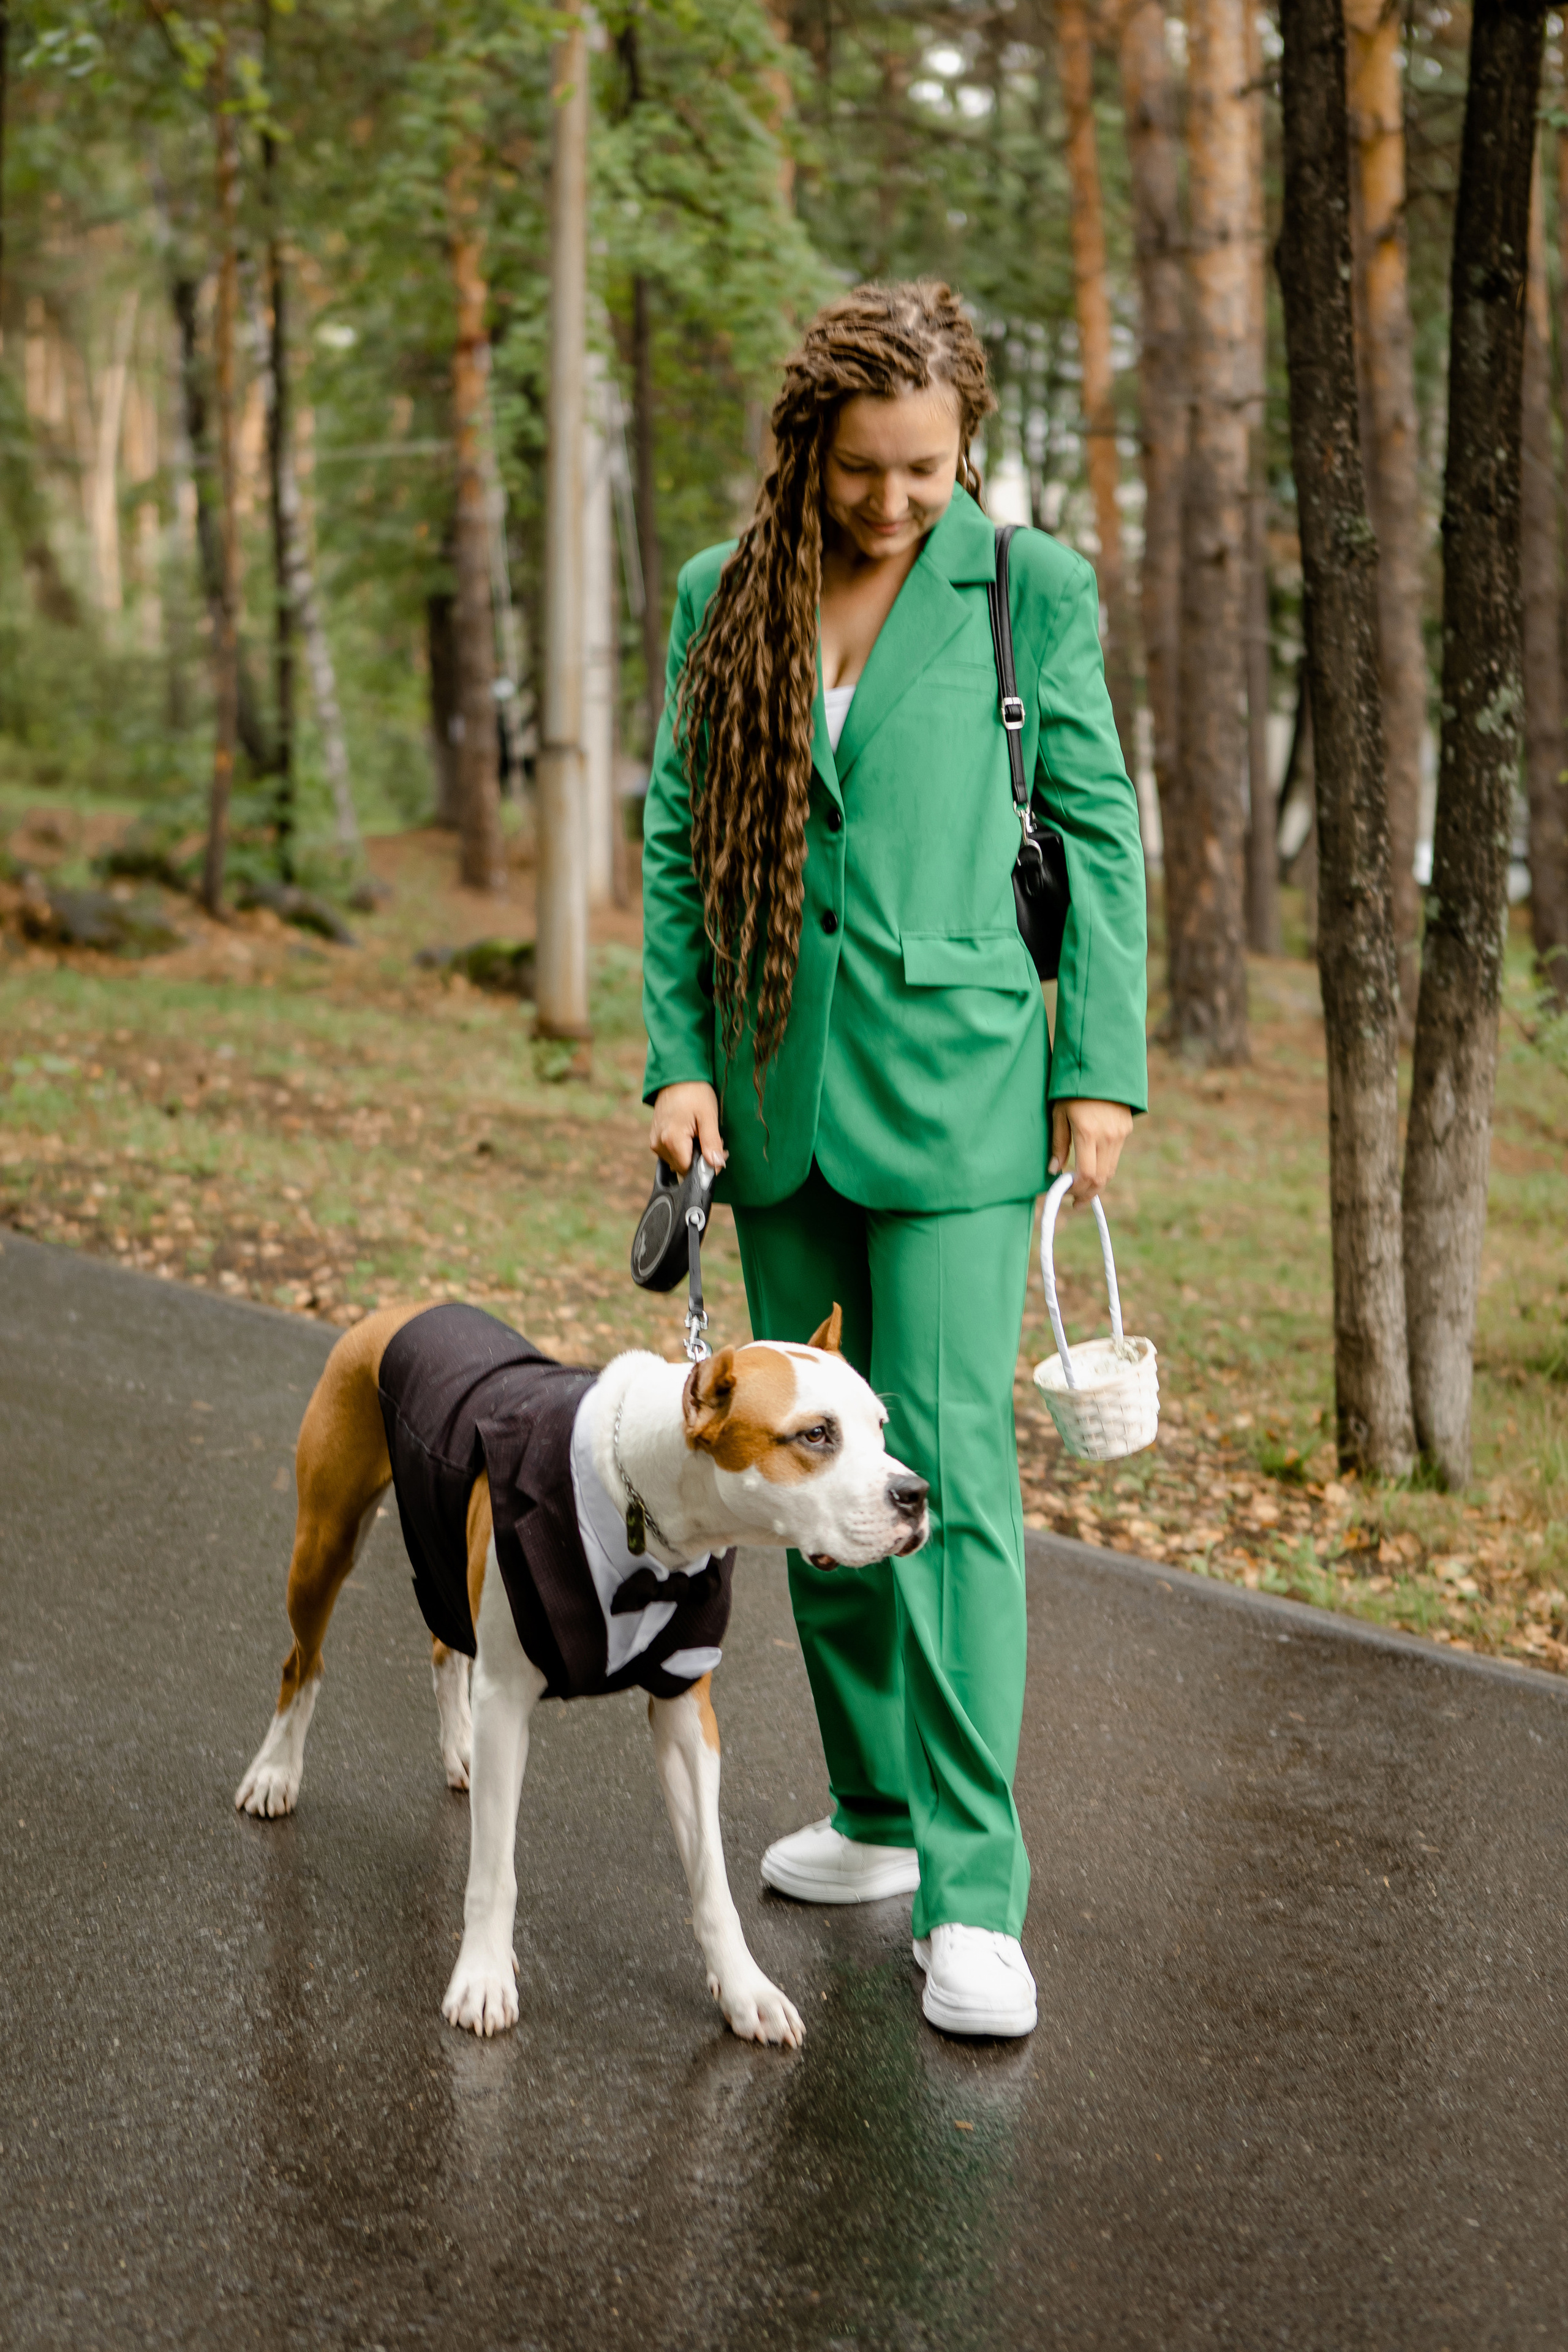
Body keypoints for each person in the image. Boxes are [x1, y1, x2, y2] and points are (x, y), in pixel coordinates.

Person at [639, 281, 1147, 2040]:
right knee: (812, 1487)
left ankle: (977, 1889)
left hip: (961, 1107)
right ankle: (869, 1814)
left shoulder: (1031, 591)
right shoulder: (730, 590)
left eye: (926, 470)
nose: (890, 501)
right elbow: (677, 832)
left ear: (968, 447)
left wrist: (1102, 1073)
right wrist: (680, 1060)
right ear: (810, 444)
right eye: (863, 468)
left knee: (949, 1492)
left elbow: (1095, 828)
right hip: (776, 1103)